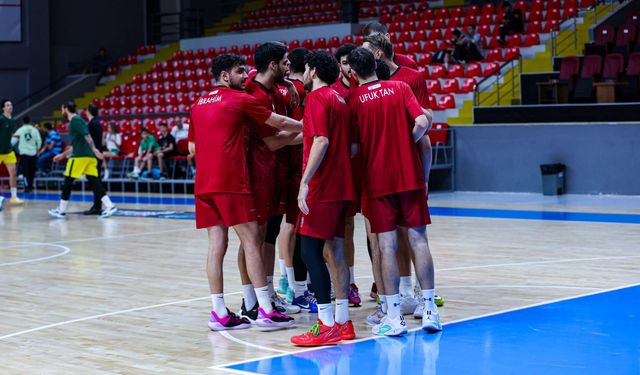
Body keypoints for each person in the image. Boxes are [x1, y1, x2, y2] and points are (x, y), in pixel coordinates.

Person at [190, 54, 301, 330]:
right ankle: (264, 309)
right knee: (252, 242)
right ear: (225, 76)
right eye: (240, 72)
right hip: (231, 183)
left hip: (204, 184)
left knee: (217, 246)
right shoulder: (239, 99)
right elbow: (281, 123)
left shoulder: (198, 103)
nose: (245, 76)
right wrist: (313, 126)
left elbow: (192, 149)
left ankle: (218, 312)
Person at [347, 47, 441, 335]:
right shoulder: (400, 87)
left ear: (352, 72)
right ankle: (430, 311)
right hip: (409, 175)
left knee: (386, 246)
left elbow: (352, 148)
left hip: (377, 180)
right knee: (419, 240)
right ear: (376, 64)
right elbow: (424, 121)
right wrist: (404, 141)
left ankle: (394, 317)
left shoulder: (354, 102)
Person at [290, 50, 356, 346]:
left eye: (304, 70)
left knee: (309, 253)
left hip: (323, 188)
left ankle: (325, 323)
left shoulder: (317, 99)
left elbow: (321, 140)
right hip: (343, 187)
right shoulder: (339, 99)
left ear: (313, 71)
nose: (302, 75)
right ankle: (342, 322)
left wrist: (305, 182)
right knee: (336, 252)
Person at [238, 41, 303, 320]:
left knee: (268, 235)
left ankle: (266, 294)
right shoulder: (254, 94)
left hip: (275, 171)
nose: (289, 67)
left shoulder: (274, 89)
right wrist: (312, 133)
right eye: (285, 62)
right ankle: (250, 299)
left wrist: (288, 86)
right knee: (252, 238)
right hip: (257, 173)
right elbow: (273, 142)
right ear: (273, 65)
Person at [274, 47, 316, 310]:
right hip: (298, 161)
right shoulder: (300, 91)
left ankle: (285, 279)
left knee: (286, 225)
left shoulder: (285, 88)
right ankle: (294, 282)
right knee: (296, 224)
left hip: (286, 161)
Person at [48, 101, 117, 219]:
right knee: (95, 182)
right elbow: (77, 143)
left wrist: (95, 149)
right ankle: (109, 206)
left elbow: (87, 135)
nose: (61, 111)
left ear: (65, 109)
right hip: (88, 157)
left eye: (62, 109)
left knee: (68, 181)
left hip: (81, 157)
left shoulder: (76, 120)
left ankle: (61, 210)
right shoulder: (75, 121)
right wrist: (63, 155)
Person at [0, 99, 25, 210]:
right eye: (8, 105)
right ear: (3, 108)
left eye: (11, 104)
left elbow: (7, 134)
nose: (10, 106)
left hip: (8, 151)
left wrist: (15, 136)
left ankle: (14, 197)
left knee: (13, 173)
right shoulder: (1, 119)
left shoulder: (12, 120)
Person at [11, 115, 41, 193]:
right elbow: (39, 141)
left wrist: (7, 146)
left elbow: (13, 141)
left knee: (25, 172)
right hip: (33, 153)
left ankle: (27, 188)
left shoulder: (20, 130)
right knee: (32, 171)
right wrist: (37, 150)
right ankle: (31, 187)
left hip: (24, 154)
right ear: (30, 121)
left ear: (22, 122)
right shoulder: (35, 130)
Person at [85, 104, 104, 215]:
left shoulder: (92, 124)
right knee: (95, 180)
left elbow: (89, 141)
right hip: (97, 153)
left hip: (94, 155)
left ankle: (97, 206)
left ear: (89, 112)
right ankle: (97, 205)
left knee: (95, 180)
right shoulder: (97, 122)